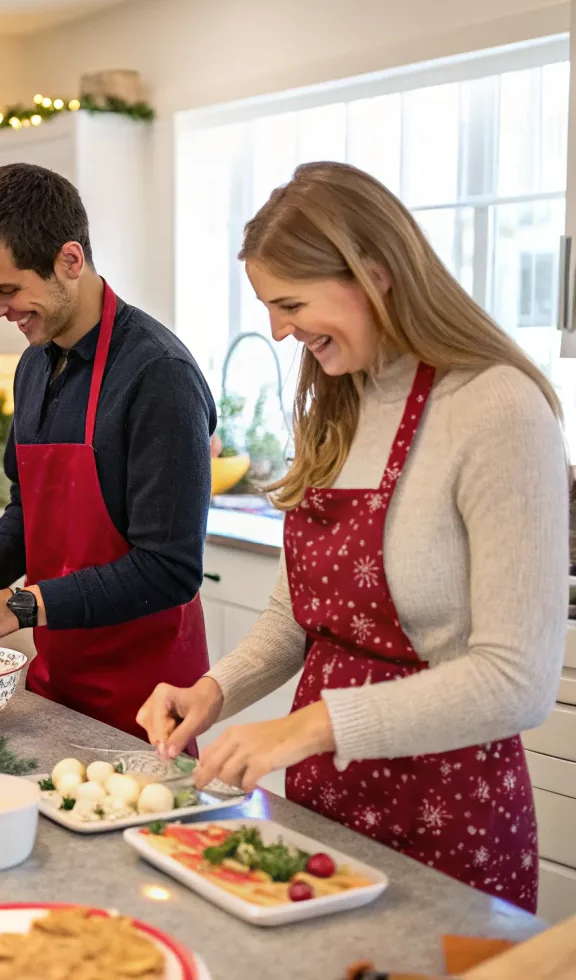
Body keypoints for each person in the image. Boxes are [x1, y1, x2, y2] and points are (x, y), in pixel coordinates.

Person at [137, 161, 568, 912]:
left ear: (374, 273)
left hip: (447, 816)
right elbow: (298, 614)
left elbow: (517, 681)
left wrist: (310, 725)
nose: (278, 330)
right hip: (322, 805)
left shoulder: (496, 407)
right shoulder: (341, 398)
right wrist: (215, 690)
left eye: (290, 303)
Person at [0, 163, 216, 744]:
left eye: (7, 289)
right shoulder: (36, 363)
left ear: (69, 261)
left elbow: (169, 568)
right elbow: (32, 510)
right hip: (58, 683)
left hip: (148, 703)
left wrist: (19, 607)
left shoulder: (160, 375)